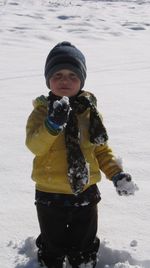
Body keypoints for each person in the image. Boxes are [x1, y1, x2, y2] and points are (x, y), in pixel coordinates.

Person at [25, 41, 138, 268]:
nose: (64, 80)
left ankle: (84, 263)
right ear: (48, 79)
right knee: (52, 243)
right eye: (57, 74)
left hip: (85, 192)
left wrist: (116, 174)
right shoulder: (40, 112)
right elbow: (35, 146)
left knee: (84, 243)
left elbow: (101, 149)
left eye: (72, 75)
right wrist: (51, 126)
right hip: (49, 194)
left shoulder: (90, 113)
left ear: (81, 80)